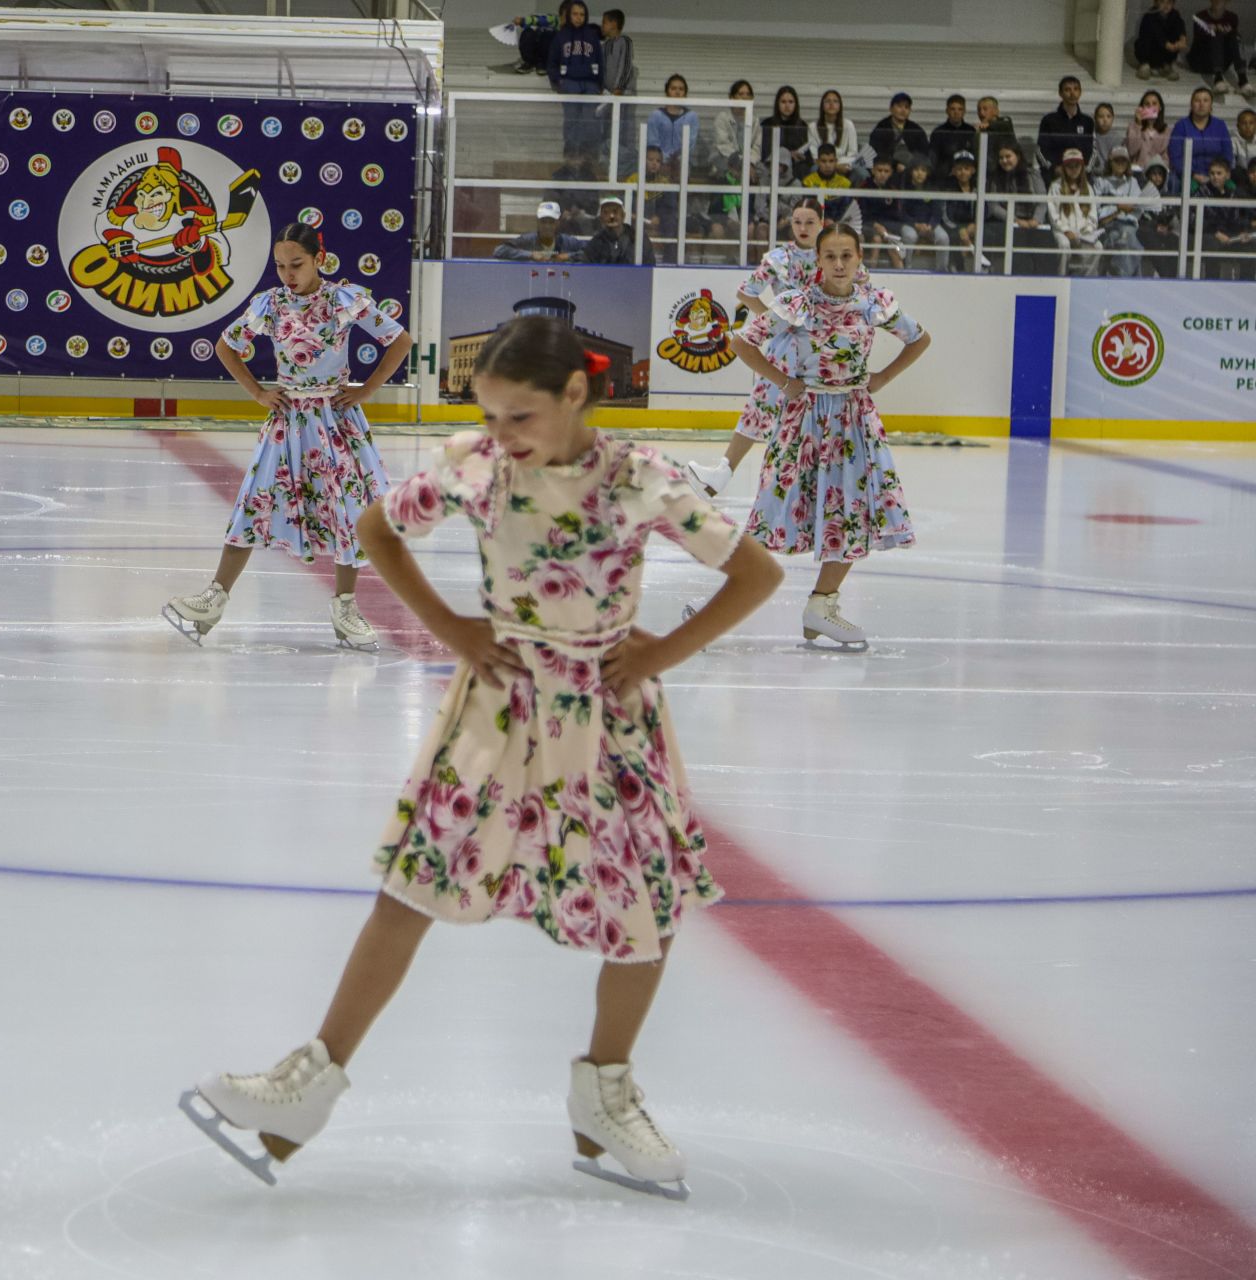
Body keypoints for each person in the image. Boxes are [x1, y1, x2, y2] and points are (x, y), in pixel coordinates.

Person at [181, 313, 783, 1193]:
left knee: (644, 907)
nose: (504, 434)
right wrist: (451, 628)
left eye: (520, 417)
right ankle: (308, 1082)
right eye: (490, 415)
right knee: (411, 885)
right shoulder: (476, 462)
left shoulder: (639, 477)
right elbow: (376, 527)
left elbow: (757, 572)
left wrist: (659, 655)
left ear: (574, 393)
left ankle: (605, 1093)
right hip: (496, 707)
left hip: (606, 718)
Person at [161, 224, 412, 651]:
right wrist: (258, 393)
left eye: (296, 264)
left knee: (347, 511)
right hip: (288, 421)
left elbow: (400, 341)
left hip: (335, 422)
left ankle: (345, 607)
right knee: (253, 502)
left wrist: (366, 390)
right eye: (280, 266)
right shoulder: (271, 304)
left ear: (319, 259)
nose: (288, 274)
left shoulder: (342, 300)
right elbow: (225, 346)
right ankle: (214, 598)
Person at [731, 220, 931, 650]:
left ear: (859, 259)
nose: (839, 264)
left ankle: (821, 605)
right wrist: (784, 382)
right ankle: (723, 601)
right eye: (830, 256)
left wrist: (882, 377)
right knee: (773, 509)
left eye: (846, 256)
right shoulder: (797, 303)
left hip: (855, 422)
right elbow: (743, 343)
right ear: (818, 261)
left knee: (853, 511)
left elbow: (919, 339)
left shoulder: (873, 303)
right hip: (804, 420)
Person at [682, 197, 825, 498]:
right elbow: (746, 293)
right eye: (797, 221)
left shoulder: (831, 255)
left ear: (821, 223)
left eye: (810, 222)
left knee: (819, 413)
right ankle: (723, 473)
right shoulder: (779, 258)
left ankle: (815, 483)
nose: (802, 227)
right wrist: (776, 320)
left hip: (823, 348)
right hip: (784, 349)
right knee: (759, 406)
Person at [983, 137, 1053, 274]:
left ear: (1018, 156)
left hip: (1033, 223)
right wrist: (1016, 220)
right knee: (1018, 246)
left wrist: (1035, 220)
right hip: (1008, 223)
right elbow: (994, 207)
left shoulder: (1032, 174)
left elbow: (1042, 201)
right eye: (1001, 158)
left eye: (1008, 156)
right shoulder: (995, 178)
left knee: (1045, 244)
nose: (1004, 161)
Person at [547, 1, 604, 164]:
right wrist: (558, 80)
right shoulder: (561, 36)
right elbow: (551, 63)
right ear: (569, 15)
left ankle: (588, 154)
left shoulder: (592, 36)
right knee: (571, 118)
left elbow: (600, 61)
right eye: (575, 14)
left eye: (582, 14)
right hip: (570, 82)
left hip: (590, 83)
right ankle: (571, 153)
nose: (578, 18)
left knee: (589, 119)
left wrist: (600, 83)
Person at [1049, 148, 1104, 275]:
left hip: (1083, 233)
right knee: (1064, 245)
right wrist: (1066, 230)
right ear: (1064, 168)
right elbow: (1053, 215)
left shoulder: (1088, 188)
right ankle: (1062, 277)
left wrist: (1087, 230)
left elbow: (1093, 216)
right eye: (1070, 166)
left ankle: (1086, 278)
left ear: (1082, 168)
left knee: (1098, 247)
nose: (1073, 170)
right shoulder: (1056, 187)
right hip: (1063, 232)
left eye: (1077, 166)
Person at [1095, 145, 1147, 277]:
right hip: (1107, 226)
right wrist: (1118, 208)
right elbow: (1097, 211)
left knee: (1126, 237)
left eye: (1123, 161)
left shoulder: (1133, 182)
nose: (1120, 164)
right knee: (1125, 240)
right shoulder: (1100, 182)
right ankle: (1129, 280)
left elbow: (1137, 209)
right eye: (1116, 160)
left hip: (1129, 225)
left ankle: (1120, 275)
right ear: (1110, 162)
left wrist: (1117, 208)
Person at [1199, 155, 1254, 277]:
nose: (1215, 177)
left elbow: (1236, 219)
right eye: (1212, 173)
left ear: (1227, 175)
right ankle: (1212, 283)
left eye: (1219, 173)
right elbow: (1196, 220)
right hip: (1209, 235)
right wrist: (1216, 233)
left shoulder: (1233, 195)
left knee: (1249, 246)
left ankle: (1246, 283)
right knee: (1211, 245)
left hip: (1230, 236)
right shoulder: (1202, 192)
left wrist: (1242, 232)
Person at [898, 154, 951, 270]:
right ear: (911, 171)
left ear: (928, 173)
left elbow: (937, 212)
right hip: (910, 224)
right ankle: (907, 269)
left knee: (943, 238)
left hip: (929, 225)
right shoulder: (904, 188)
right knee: (909, 236)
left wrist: (930, 225)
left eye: (923, 170)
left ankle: (942, 270)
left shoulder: (933, 189)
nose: (919, 173)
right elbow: (902, 213)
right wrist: (915, 224)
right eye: (916, 170)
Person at [1038, 76, 1096, 179]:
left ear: (1080, 92)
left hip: (1081, 175)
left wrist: (1085, 169)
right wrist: (1054, 168)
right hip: (1056, 175)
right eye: (1067, 90)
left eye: (1076, 89)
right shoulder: (1049, 120)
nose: (1072, 93)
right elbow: (1040, 150)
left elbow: (1093, 150)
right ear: (1060, 93)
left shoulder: (1088, 121)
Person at [1189, 0, 1250, 97]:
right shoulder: (1200, 16)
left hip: (1222, 62)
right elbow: (1197, 42)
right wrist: (1210, 30)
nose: (1217, 1)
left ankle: (1243, 79)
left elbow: (1234, 41)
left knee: (1234, 36)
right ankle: (1218, 79)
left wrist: (1227, 32)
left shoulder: (1232, 17)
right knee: (1216, 35)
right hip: (1202, 61)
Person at [857, 151, 908, 268]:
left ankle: (902, 274)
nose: (883, 174)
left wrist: (885, 229)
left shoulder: (893, 189)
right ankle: (871, 272)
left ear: (891, 172)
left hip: (887, 228)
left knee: (893, 245)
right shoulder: (864, 187)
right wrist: (875, 225)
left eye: (886, 171)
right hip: (867, 226)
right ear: (873, 170)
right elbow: (861, 213)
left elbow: (896, 215)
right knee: (876, 239)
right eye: (880, 170)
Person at [1170, 86, 1236, 174]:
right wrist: (1193, 174)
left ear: (1211, 105)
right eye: (1197, 101)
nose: (1201, 104)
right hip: (1187, 175)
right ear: (1191, 105)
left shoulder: (1220, 125)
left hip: (1216, 175)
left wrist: (1218, 174)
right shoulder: (1181, 126)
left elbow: (1227, 154)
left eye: (1205, 100)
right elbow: (1175, 156)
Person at [495, 200, 589, 261]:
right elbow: (499, 250)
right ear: (538, 222)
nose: (547, 226)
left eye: (551, 222)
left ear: (558, 223)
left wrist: (568, 256)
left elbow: (591, 252)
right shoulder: (527, 240)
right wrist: (530, 255)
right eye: (543, 222)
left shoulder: (567, 241)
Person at [757, 85, 810, 185]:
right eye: (783, 102)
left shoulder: (802, 126)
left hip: (795, 168)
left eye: (791, 102)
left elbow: (807, 155)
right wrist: (788, 155)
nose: (787, 106)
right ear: (777, 104)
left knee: (803, 168)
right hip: (772, 166)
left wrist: (799, 156)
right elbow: (764, 151)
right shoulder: (767, 124)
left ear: (796, 104)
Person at [647, 74, 701, 170]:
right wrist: (663, 159)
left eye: (681, 89)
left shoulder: (692, 117)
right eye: (673, 88)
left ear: (685, 93)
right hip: (659, 163)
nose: (677, 92)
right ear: (667, 92)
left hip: (682, 164)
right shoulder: (656, 115)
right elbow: (652, 142)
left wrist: (677, 160)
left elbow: (690, 144)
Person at [583, 193, 654, 264]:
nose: (611, 216)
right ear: (601, 218)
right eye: (606, 213)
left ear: (623, 216)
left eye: (615, 211)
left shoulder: (639, 239)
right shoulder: (595, 243)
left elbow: (650, 264)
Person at [1138, 160, 1182, 273]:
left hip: (1167, 231)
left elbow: (1174, 218)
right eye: (1154, 174)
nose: (1157, 178)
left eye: (1160, 174)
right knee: (1149, 236)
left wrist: (1168, 228)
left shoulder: (1169, 196)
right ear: (1148, 176)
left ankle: (1173, 276)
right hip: (1147, 232)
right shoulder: (1140, 194)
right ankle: (1164, 274)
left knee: (1175, 240)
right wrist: (1155, 226)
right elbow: (1139, 218)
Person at [868, 93, 930, 170]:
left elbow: (924, 152)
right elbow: (876, 152)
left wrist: (915, 165)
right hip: (888, 168)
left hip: (913, 169)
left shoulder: (915, 129)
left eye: (906, 107)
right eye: (899, 106)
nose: (903, 110)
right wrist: (895, 164)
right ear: (891, 109)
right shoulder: (882, 127)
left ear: (910, 110)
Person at [941, 150, 981, 270]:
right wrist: (959, 228)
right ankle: (958, 269)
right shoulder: (948, 188)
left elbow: (985, 210)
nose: (963, 172)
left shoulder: (978, 188)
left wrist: (976, 224)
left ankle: (985, 266)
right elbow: (945, 215)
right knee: (954, 236)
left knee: (988, 234)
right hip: (953, 226)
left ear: (973, 170)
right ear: (953, 171)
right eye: (959, 169)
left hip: (973, 225)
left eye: (966, 168)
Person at [807, 89, 859, 179]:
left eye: (835, 101)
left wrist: (838, 165)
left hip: (845, 164)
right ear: (822, 106)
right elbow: (814, 156)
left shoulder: (848, 125)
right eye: (828, 101)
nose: (831, 104)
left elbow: (853, 153)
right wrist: (835, 166)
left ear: (840, 106)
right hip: (822, 165)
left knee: (861, 173)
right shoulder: (812, 127)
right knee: (814, 169)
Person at [802, 143, 856, 227]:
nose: (828, 165)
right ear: (817, 162)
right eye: (823, 161)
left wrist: (835, 222)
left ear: (836, 161)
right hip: (814, 224)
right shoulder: (808, 181)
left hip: (839, 225)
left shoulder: (845, 183)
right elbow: (808, 208)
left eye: (831, 161)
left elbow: (847, 209)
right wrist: (824, 219)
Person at [1136, 0, 1188, 80]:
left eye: (1169, 3)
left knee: (1175, 34)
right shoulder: (1150, 15)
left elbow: (1180, 26)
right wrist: (1168, 45)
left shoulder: (1174, 14)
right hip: (1151, 51)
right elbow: (1157, 33)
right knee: (1143, 41)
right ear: (1156, 3)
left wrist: (1182, 40)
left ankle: (1166, 65)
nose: (1166, 6)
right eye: (1162, 2)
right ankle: (1145, 65)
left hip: (1164, 52)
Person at [930, 94, 977, 180]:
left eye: (960, 109)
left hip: (968, 178)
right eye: (952, 109)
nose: (956, 112)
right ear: (947, 111)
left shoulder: (971, 131)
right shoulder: (938, 132)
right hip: (945, 178)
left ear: (964, 111)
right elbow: (933, 160)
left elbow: (976, 156)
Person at [1129, 89, 1174, 169]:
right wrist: (1138, 124)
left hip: (1158, 172)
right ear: (1142, 107)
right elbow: (1131, 150)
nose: (1150, 106)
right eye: (1147, 104)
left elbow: (1167, 157)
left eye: (1154, 103)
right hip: (1138, 170)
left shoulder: (1167, 131)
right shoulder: (1133, 127)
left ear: (1160, 107)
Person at [600, 8, 635, 97]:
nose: (602, 26)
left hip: (623, 93)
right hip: (608, 94)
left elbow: (625, 65)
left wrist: (618, 87)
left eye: (604, 22)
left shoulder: (625, 41)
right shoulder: (604, 46)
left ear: (614, 24)